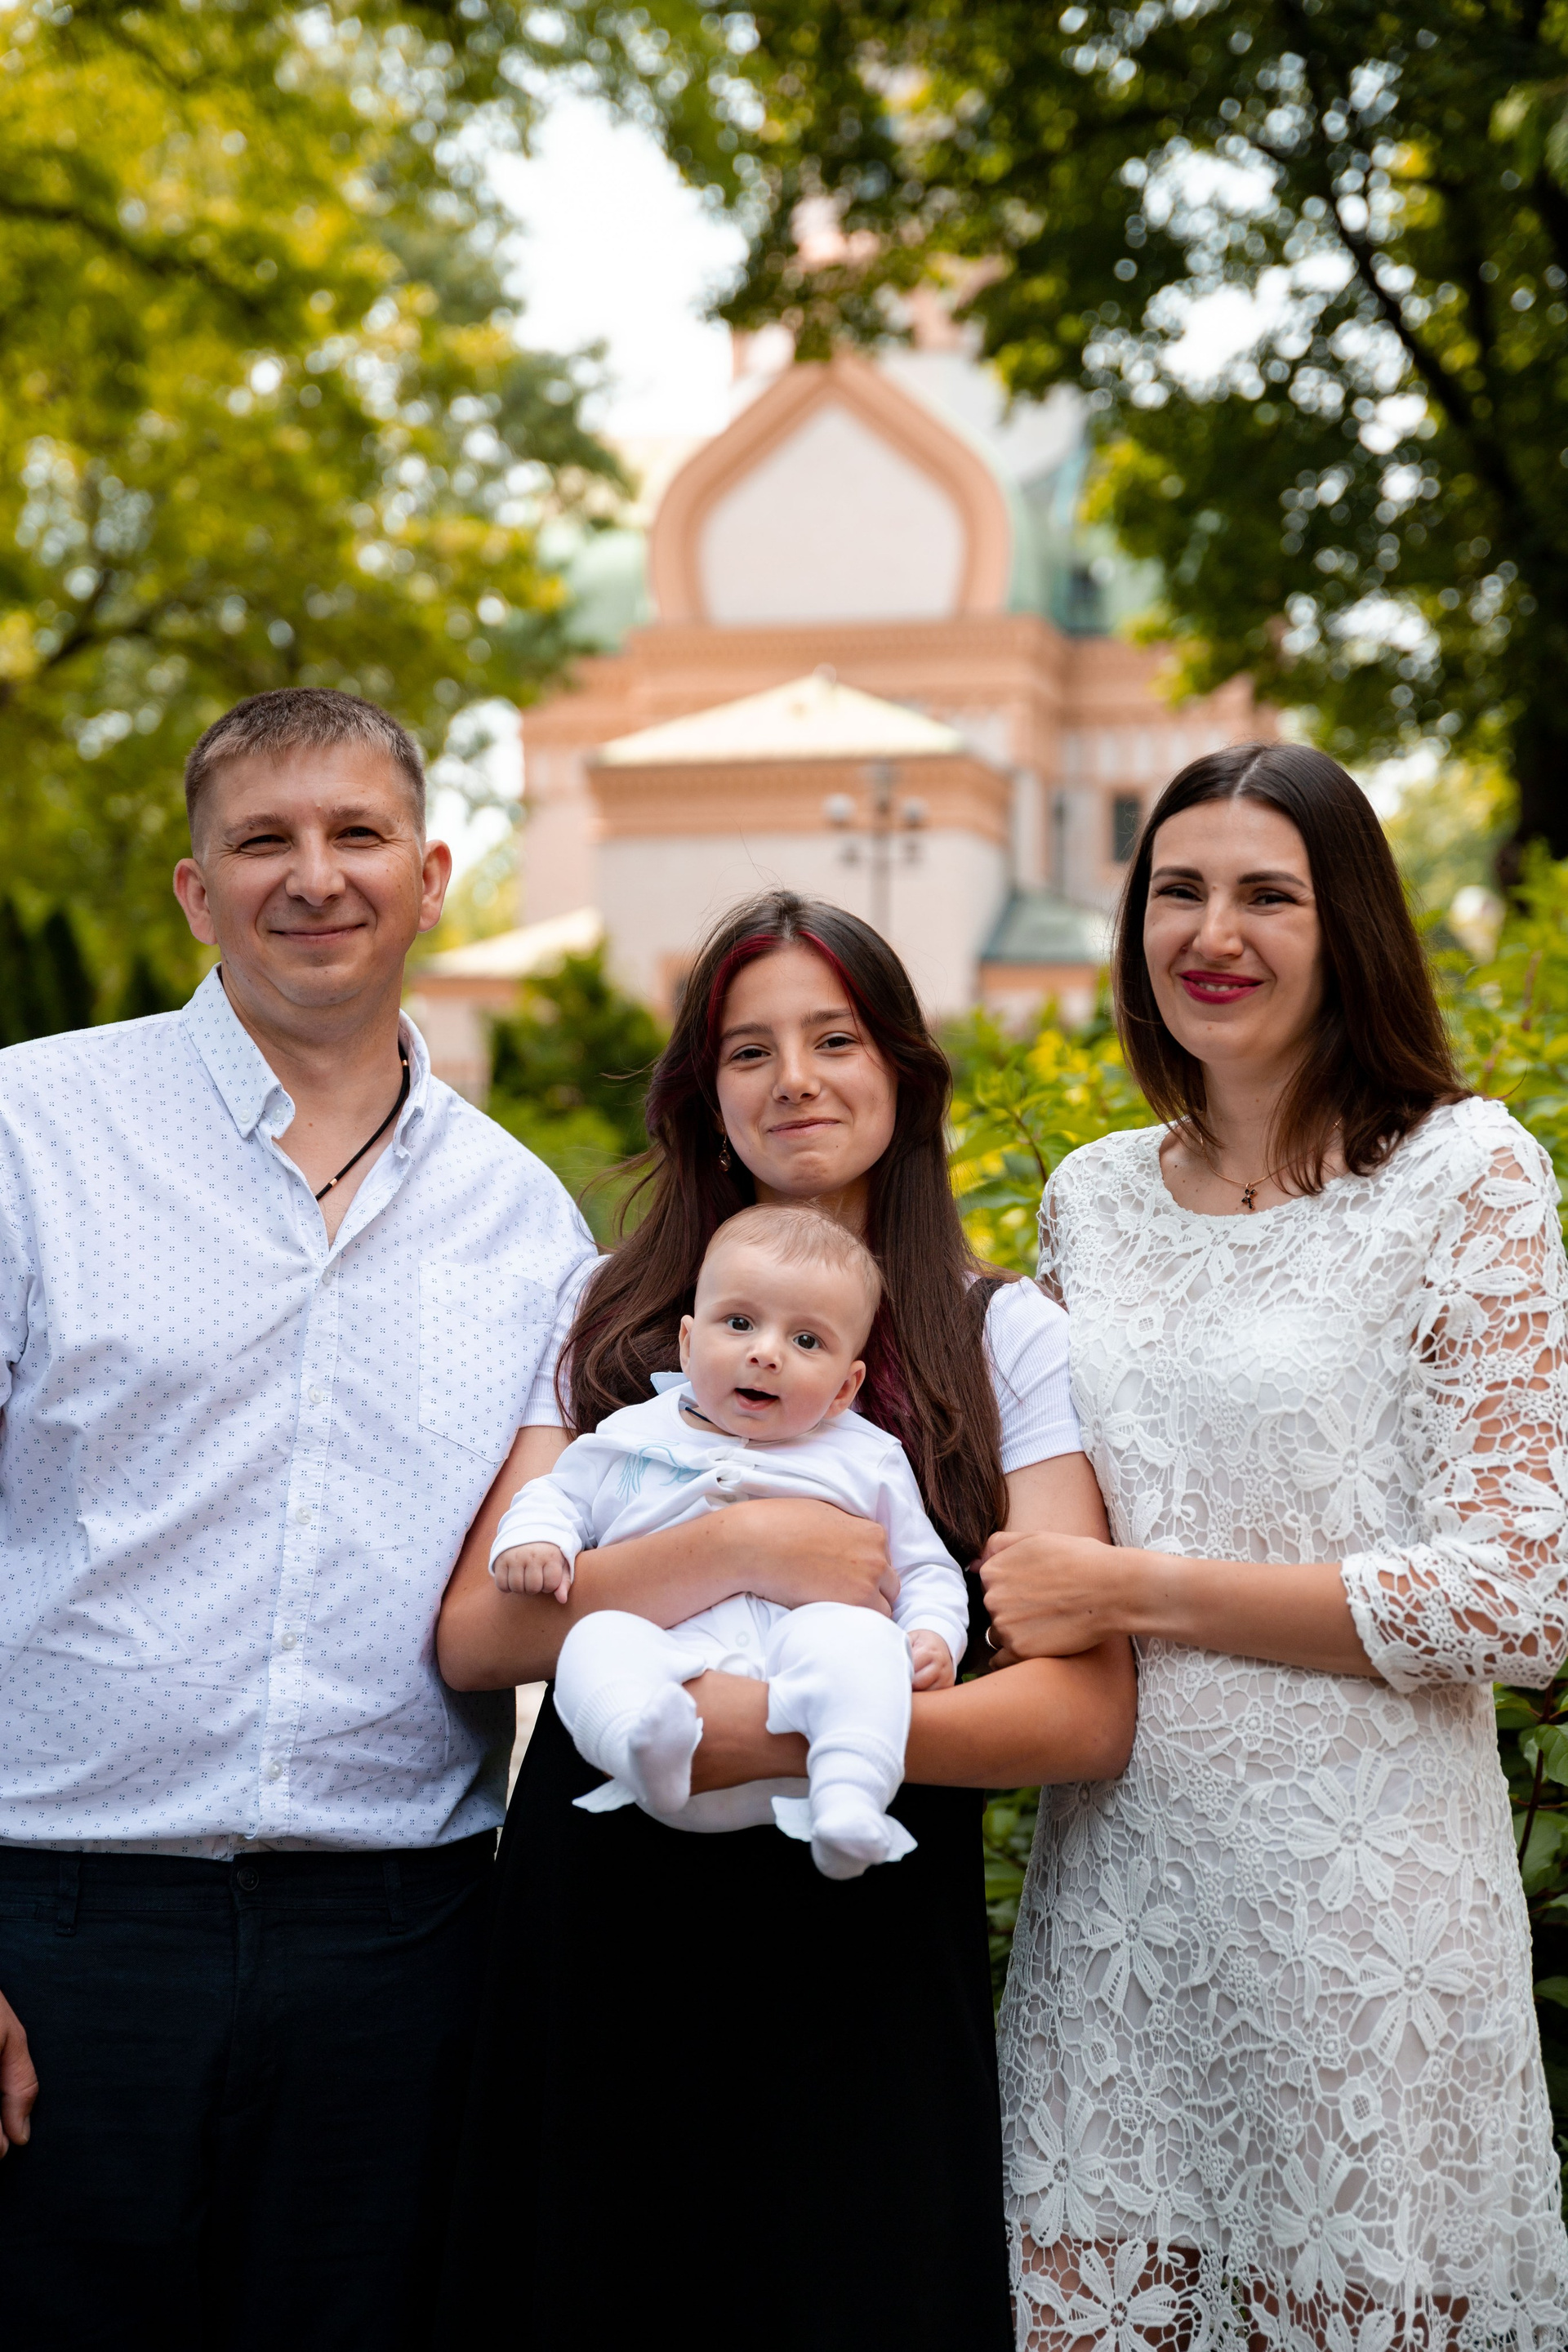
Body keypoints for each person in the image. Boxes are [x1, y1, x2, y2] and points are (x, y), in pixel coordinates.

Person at [435, 889, 1136, 2352]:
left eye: (836, 1039)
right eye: (749, 1050)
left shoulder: (1002, 1336)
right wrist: (742, 1545)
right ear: (704, 1095)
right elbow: (483, 1639)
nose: (795, 1079)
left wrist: (772, 1735)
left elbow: (1084, 1710)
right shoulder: (610, 1312)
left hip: (858, 1924)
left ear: (905, 1072)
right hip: (605, 1920)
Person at [0, 688, 597, 2351]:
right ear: (198, 891)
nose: (315, 876)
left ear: (432, 876)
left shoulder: (526, 1225)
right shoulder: (29, 1133)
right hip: (57, 1924)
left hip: (401, 1949)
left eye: (357, 835)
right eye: (264, 840)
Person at [983, 742, 1568, 2349]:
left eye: (1267, 894)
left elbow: (1521, 1597)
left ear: (1349, 924)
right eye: (1177, 891)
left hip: (1363, 1932)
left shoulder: (1468, 1175)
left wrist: (1134, 1591)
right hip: (1120, 1921)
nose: (1212, 932)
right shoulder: (1092, 1200)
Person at [505, 1203, 969, 1876]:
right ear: (688, 1343)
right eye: (740, 1323)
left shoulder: (868, 1458)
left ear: (846, 1387)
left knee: (863, 1641)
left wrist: (933, 1635)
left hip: (802, 1692)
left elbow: (924, 1569)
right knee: (594, 1641)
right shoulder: (633, 1433)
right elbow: (558, 1495)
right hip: (670, 1670)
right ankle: (636, 1741)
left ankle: (851, 1795)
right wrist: (537, 1539)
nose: (765, 1353)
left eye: (806, 1340)